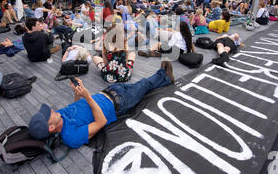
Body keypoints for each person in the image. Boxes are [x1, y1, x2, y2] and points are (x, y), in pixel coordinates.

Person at [28, 61, 175, 148]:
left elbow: (77, 107)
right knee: (144, 84)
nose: (52, 110)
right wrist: (87, 96)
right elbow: (101, 122)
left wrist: (77, 93)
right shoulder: (71, 136)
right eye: (49, 114)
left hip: (110, 91)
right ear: (51, 127)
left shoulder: (59, 115)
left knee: (140, 85)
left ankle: (164, 78)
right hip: (120, 103)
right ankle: (164, 74)